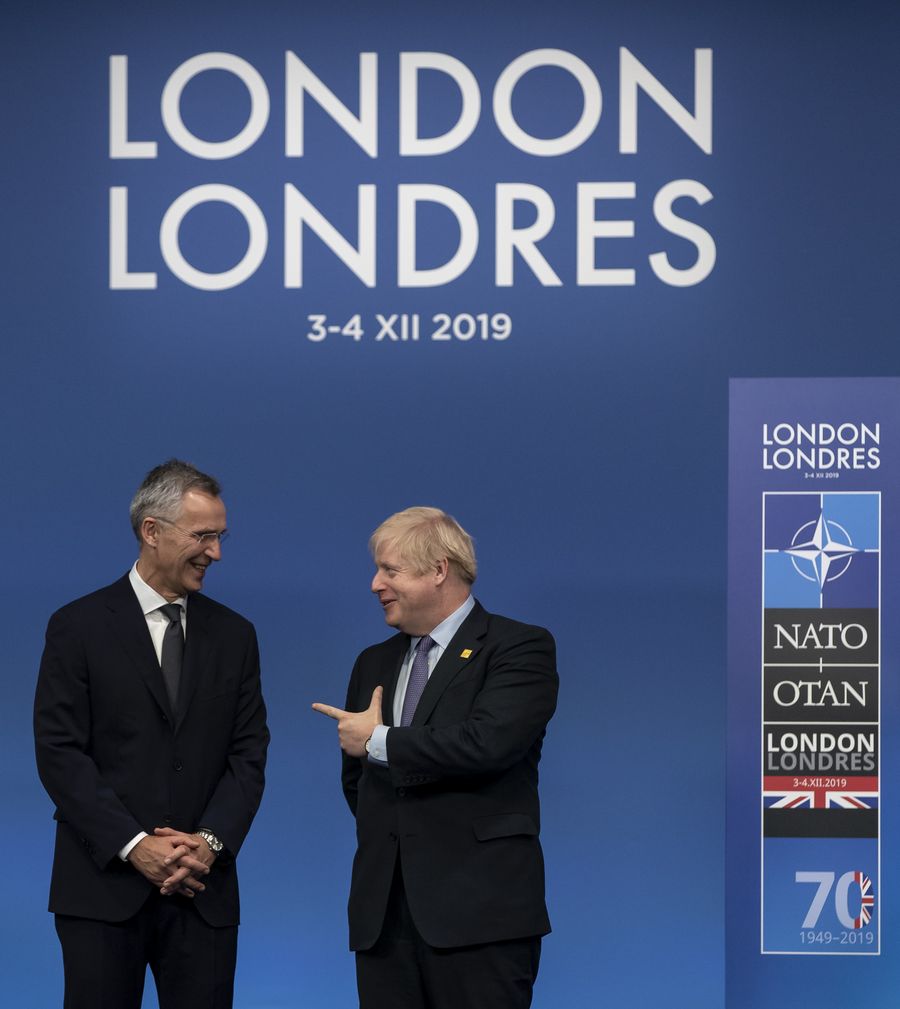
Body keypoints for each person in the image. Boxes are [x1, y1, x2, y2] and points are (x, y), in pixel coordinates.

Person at [34, 460, 269, 1009]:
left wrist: (209, 844)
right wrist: (135, 845)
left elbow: (248, 753)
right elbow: (59, 752)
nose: (215, 552)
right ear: (152, 530)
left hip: (201, 889)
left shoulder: (235, 635)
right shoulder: (77, 626)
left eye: (220, 537)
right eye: (203, 535)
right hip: (101, 889)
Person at [313, 506, 558, 1009]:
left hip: (480, 917)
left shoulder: (518, 647)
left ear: (439, 570)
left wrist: (378, 740)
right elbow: (358, 784)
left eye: (390, 570)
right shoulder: (372, 662)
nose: (375, 584)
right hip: (385, 919)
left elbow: (489, 743)